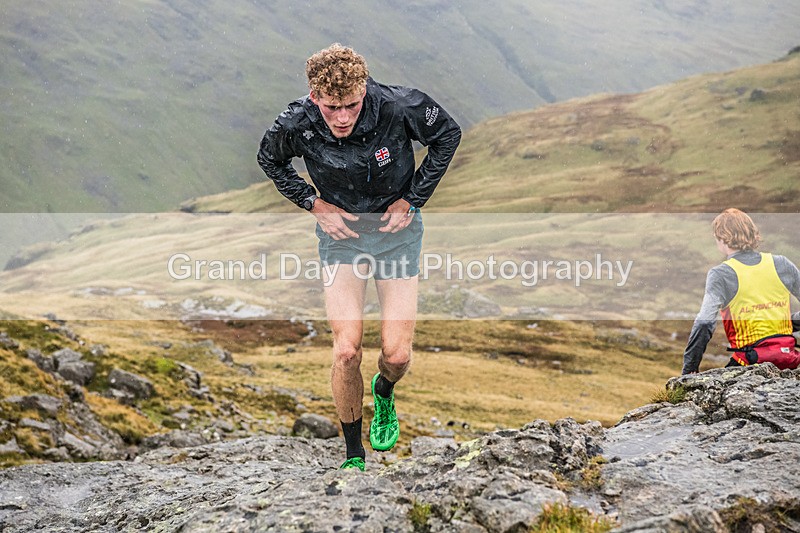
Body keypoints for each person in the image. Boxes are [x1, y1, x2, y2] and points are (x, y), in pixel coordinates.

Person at [257, 43, 461, 470]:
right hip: (343, 238)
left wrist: (412, 199)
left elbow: (447, 136)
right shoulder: (295, 121)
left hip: (396, 236)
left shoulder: (401, 105)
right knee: (346, 350)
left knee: (398, 355)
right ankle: (354, 454)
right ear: (315, 97)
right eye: (332, 107)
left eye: (351, 104)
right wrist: (314, 205)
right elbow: (269, 160)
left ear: (364, 90)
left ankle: (384, 391)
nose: (343, 117)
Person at [682, 208, 800, 374]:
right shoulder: (781, 264)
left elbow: (704, 323)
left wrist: (689, 370)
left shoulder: (721, 274)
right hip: (789, 358)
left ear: (722, 238)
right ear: (753, 233)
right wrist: (783, 323)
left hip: (749, 363)